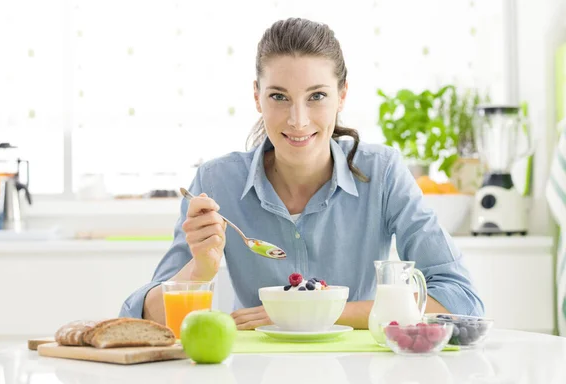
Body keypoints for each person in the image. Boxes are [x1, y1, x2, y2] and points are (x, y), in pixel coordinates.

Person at [120, 17, 484, 330]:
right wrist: (199, 271)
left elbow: (460, 301)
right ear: (256, 97)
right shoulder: (217, 183)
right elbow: (141, 318)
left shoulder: (382, 173)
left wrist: (313, 310)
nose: (298, 120)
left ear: (342, 95)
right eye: (279, 97)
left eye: (317, 96)